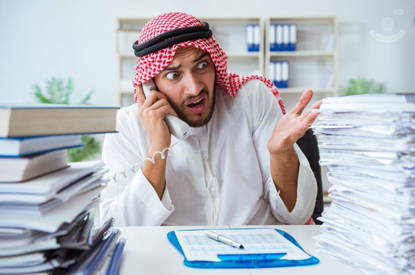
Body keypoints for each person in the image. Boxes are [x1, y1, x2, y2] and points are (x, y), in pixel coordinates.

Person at [100, 12, 321, 226]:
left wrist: (280, 154)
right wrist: (158, 148)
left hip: (258, 252)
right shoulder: (126, 126)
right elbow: (119, 227)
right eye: (173, 75)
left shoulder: (251, 99)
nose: (195, 88)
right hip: (173, 257)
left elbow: (298, 217)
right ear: (150, 85)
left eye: (202, 66)